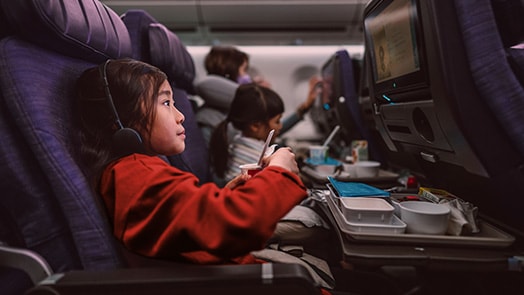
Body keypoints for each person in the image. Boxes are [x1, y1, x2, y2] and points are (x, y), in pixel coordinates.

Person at [74, 58, 309, 267]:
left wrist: (223, 196)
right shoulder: (134, 176)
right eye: (166, 103)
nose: (181, 115)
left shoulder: (136, 170)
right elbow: (236, 225)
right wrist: (279, 171)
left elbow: (184, 224)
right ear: (121, 119)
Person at [195, 45, 321, 145]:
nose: (248, 77)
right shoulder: (208, 119)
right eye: (244, 70)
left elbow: (270, 129)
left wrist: (304, 107)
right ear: (229, 74)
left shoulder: (234, 110)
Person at [209, 83, 285, 183]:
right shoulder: (257, 157)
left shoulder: (238, 141)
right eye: (277, 121)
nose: (280, 126)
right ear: (255, 126)